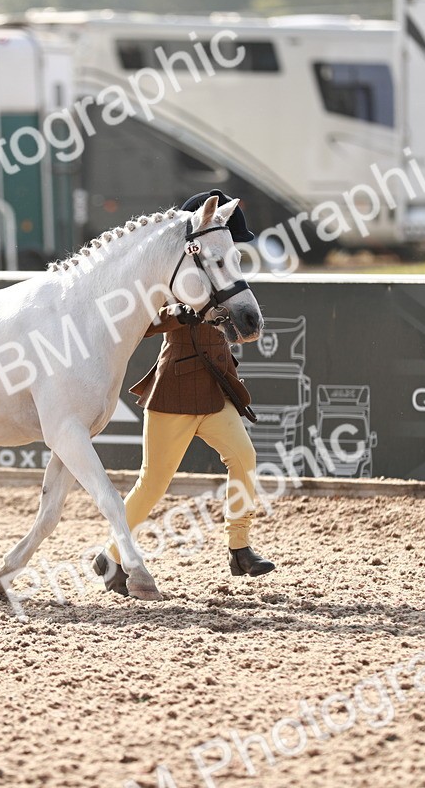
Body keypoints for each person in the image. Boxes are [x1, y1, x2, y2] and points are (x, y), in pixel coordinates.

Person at [92, 190, 275, 596]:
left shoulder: (218, 272)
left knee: (244, 457)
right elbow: (143, 324)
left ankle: (239, 547)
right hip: (174, 392)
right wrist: (178, 314)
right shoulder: (169, 276)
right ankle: (110, 555)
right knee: (152, 485)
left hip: (213, 390)